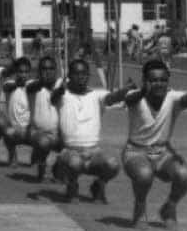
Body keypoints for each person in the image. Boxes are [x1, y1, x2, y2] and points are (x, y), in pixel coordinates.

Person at [121, 62, 187, 230]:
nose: (158, 84)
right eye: (153, 80)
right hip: (136, 151)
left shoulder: (172, 97)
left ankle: (169, 208)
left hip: (162, 152)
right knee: (144, 175)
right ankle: (140, 208)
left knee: (184, 174)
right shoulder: (135, 96)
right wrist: (143, 91)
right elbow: (130, 100)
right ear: (145, 80)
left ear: (168, 81)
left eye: (163, 80)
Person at [50, 60, 129, 203]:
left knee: (113, 165)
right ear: (69, 76)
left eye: (84, 73)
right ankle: (71, 185)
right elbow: (53, 98)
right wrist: (60, 89)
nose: (81, 77)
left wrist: (125, 91)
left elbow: (111, 99)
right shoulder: (63, 95)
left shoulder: (97, 95)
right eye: (76, 73)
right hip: (70, 151)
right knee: (74, 163)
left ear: (89, 76)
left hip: (93, 152)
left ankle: (99, 186)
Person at [24, 56, 62, 182]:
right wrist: (42, 81)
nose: (48, 71)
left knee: (74, 143)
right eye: (44, 68)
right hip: (36, 132)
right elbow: (31, 88)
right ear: (39, 71)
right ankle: (41, 167)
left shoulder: (61, 85)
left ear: (55, 70)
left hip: (57, 134)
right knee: (44, 143)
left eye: (51, 68)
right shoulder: (31, 84)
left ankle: (58, 168)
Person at [0, 57, 32, 166]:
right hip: (15, 128)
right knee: (6, 132)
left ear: (30, 73)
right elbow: (7, 87)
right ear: (16, 72)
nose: (23, 75)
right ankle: (12, 156)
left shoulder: (32, 85)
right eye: (20, 72)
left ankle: (36, 159)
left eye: (26, 72)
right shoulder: (10, 84)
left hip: (30, 129)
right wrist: (17, 83)